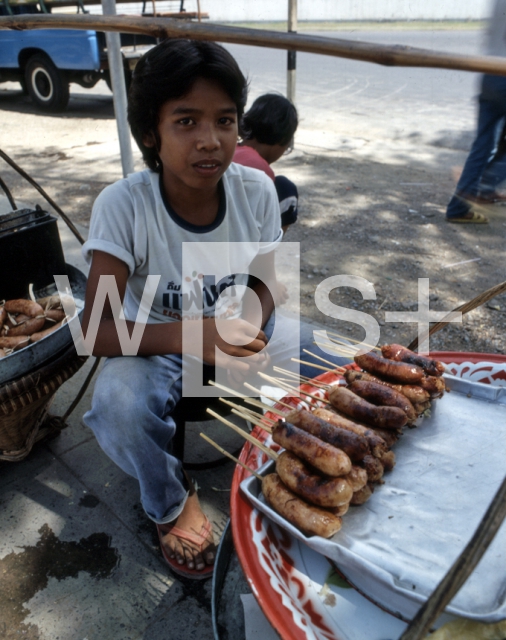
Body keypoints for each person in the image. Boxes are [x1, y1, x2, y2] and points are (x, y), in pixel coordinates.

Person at [80, 39, 347, 581]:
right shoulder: (124, 205)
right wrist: (191, 336)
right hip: (155, 344)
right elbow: (96, 329)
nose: (210, 141)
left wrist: (247, 322)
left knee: (342, 363)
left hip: (235, 330)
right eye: (186, 121)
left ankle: (314, 469)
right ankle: (171, 501)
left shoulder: (256, 190)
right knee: (120, 405)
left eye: (225, 120)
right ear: (152, 133)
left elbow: (270, 282)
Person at [446, 0, 506, 223]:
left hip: (489, 72)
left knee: (484, 142)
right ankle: (486, 184)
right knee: (491, 142)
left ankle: (459, 208)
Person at [234, 93, 299, 233]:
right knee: (286, 189)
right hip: (233, 243)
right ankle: (269, 251)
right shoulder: (259, 171)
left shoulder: (231, 150)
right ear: (281, 141)